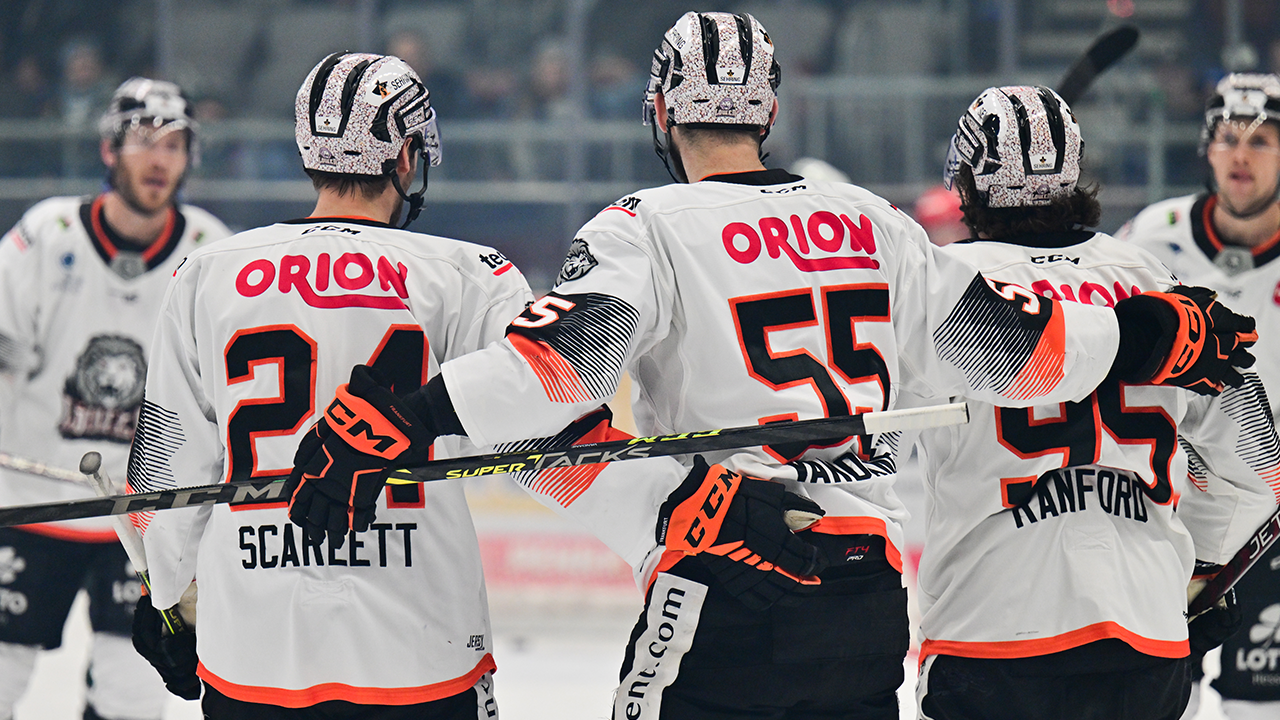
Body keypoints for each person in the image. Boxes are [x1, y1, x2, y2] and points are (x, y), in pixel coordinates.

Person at [287, 12, 1257, 719]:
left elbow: (559, 368)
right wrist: (1147, 332)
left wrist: (406, 416)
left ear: (660, 109)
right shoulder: (869, 226)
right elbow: (1030, 360)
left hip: (724, 577)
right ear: (770, 109)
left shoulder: (647, 225)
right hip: (864, 590)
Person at [126, 52, 518, 718]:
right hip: (421, 639)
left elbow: (164, 469)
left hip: (255, 645)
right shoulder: (468, 272)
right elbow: (545, 395)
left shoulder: (207, 271)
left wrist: (169, 602)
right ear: (403, 157)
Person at [907, 84, 1280, 720]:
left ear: (964, 180)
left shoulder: (940, 288)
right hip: (1144, 630)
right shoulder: (1156, 279)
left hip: (991, 631)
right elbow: (1256, 465)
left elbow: (867, 448)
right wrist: (1197, 570)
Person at [0, 77, 229, 720]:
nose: (160, 158)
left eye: (176, 143)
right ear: (109, 150)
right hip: (28, 501)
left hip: (145, 517)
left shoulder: (211, 252)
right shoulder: (48, 234)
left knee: (132, 696)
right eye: (142, 140)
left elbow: (221, 388)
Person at [1118, 71, 1280, 720]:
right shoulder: (1153, 237)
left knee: (1257, 704)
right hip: (1170, 505)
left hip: (1269, 518)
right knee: (1160, 696)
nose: (1240, 153)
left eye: (1262, 138)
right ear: (1206, 147)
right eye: (1227, 136)